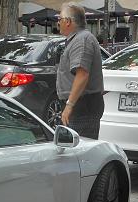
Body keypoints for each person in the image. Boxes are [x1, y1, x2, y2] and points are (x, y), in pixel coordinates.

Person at [56, 2, 105, 139]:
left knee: (81, 150)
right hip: (81, 105)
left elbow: (82, 74)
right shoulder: (77, 39)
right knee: (76, 149)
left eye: (59, 19)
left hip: (83, 106)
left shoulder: (82, 40)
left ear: (68, 21)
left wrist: (69, 105)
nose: (58, 23)